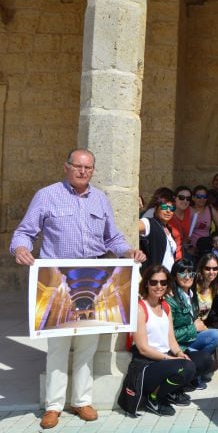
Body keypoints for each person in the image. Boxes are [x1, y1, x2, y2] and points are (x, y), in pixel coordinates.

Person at [10, 148, 146, 429]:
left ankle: (82, 401)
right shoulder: (46, 196)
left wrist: (128, 251)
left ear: (93, 170)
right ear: (66, 167)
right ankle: (53, 406)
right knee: (58, 346)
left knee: (88, 346)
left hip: (95, 277)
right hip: (58, 279)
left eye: (88, 167)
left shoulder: (100, 198)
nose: (83, 171)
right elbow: (25, 231)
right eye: (78, 166)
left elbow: (113, 237)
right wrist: (20, 247)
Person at [120, 265, 197, 416]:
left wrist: (179, 353)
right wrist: (170, 359)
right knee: (186, 368)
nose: (159, 286)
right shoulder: (140, 308)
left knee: (202, 360)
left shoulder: (165, 306)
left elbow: (171, 339)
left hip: (164, 360)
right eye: (154, 282)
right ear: (147, 284)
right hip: (147, 364)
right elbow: (143, 349)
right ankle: (153, 399)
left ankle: (170, 392)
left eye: (163, 282)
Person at [165, 259, 218, 388]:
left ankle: (206, 367)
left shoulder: (191, 294)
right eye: (182, 273)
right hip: (181, 343)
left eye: (190, 273)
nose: (187, 277)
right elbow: (170, 335)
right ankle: (195, 373)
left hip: (194, 334)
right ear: (175, 275)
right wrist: (194, 327)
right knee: (214, 336)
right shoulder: (171, 299)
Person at [138, 188, 181, 272]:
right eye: (165, 207)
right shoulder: (149, 223)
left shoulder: (168, 229)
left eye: (172, 208)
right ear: (156, 208)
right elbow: (131, 227)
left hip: (168, 277)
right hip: (154, 277)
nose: (168, 211)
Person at [189, 185, 218, 254]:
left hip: (207, 247)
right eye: (199, 196)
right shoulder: (188, 210)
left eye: (204, 197)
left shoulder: (210, 209)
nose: (202, 199)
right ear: (193, 198)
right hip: (190, 249)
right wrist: (188, 247)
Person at [195, 253, 218, 329]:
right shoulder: (193, 286)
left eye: (215, 268)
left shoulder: (217, 288)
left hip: (206, 326)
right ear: (201, 269)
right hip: (193, 327)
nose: (211, 272)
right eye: (207, 268)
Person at [169, 186, 193, 258]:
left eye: (188, 198)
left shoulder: (189, 211)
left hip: (182, 253)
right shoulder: (167, 212)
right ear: (174, 198)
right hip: (170, 254)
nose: (185, 201)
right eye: (181, 197)